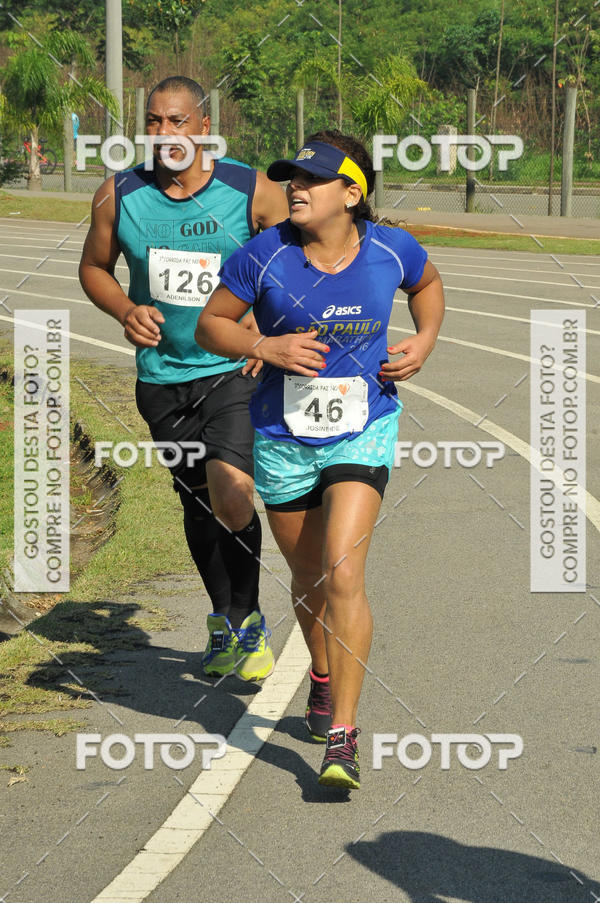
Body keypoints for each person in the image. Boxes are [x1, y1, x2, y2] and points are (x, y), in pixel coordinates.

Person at [196, 130, 445, 788]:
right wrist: (267, 348)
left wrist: (424, 339)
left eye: (310, 179)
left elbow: (428, 284)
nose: (294, 188)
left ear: (352, 193)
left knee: (341, 571)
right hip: (281, 435)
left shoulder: (393, 248)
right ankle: (323, 672)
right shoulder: (265, 254)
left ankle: (343, 734)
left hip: (363, 427)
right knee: (308, 583)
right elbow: (210, 323)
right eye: (290, 178)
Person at [79, 76, 289, 681]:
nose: (165, 134)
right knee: (197, 501)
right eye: (153, 122)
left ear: (204, 127)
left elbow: (293, 262)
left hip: (232, 369)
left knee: (230, 487)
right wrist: (125, 309)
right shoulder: (118, 194)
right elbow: (94, 267)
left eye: (177, 122)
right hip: (162, 376)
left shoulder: (251, 190)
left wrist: (261, 332)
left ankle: (248, 620)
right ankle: (222, 617)